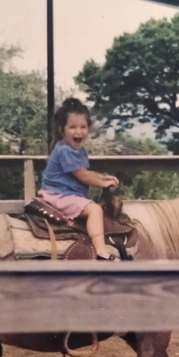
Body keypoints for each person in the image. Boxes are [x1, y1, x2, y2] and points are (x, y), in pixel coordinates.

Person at [36, 98, 120, 260]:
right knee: (95, 210)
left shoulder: (78, 151)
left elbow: (85, 172)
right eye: (72, 127)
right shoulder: (65, 151)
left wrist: (102, 177)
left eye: (83, 127)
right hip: (57, 196)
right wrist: (102, 182)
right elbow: (83, 176)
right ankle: (101, 251)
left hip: (66, 194)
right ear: (62, 130)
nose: (78, 132)